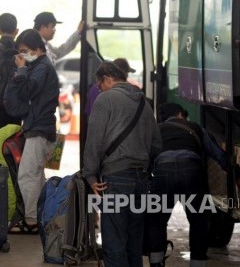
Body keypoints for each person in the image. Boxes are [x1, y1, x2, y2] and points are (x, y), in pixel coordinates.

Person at [83, 61, 162, 266]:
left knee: (115, 242)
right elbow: (156, 144)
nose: (98, 89)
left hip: (116, 179)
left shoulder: (105, 100)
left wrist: (90, 175)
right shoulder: (143, 103)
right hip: (141, 181)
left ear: (108, 79)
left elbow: (94, 141)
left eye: (99, 85)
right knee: (134, 244)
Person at [146, 102, 227, 267]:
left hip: (163, 171)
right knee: (198, 220)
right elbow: (217, 153)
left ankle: (156, 263)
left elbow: (145, 156)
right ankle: (197, 263)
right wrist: (237, 173)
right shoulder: (194, 127)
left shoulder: (155, 131)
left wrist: (148, 179)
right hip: (192, 170)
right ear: (180, 114)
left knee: (156, 220)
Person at [7, 28, 59, 231]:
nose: (22, 55)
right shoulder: (41, 65)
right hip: (40, 127)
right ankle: (39, 216)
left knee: (27, 175)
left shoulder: (42, 67)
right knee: (36, 175)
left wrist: (21, 71)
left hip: (39, 128)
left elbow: (29, 89)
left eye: (25, 50)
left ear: (37, 49)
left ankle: (31, 221)